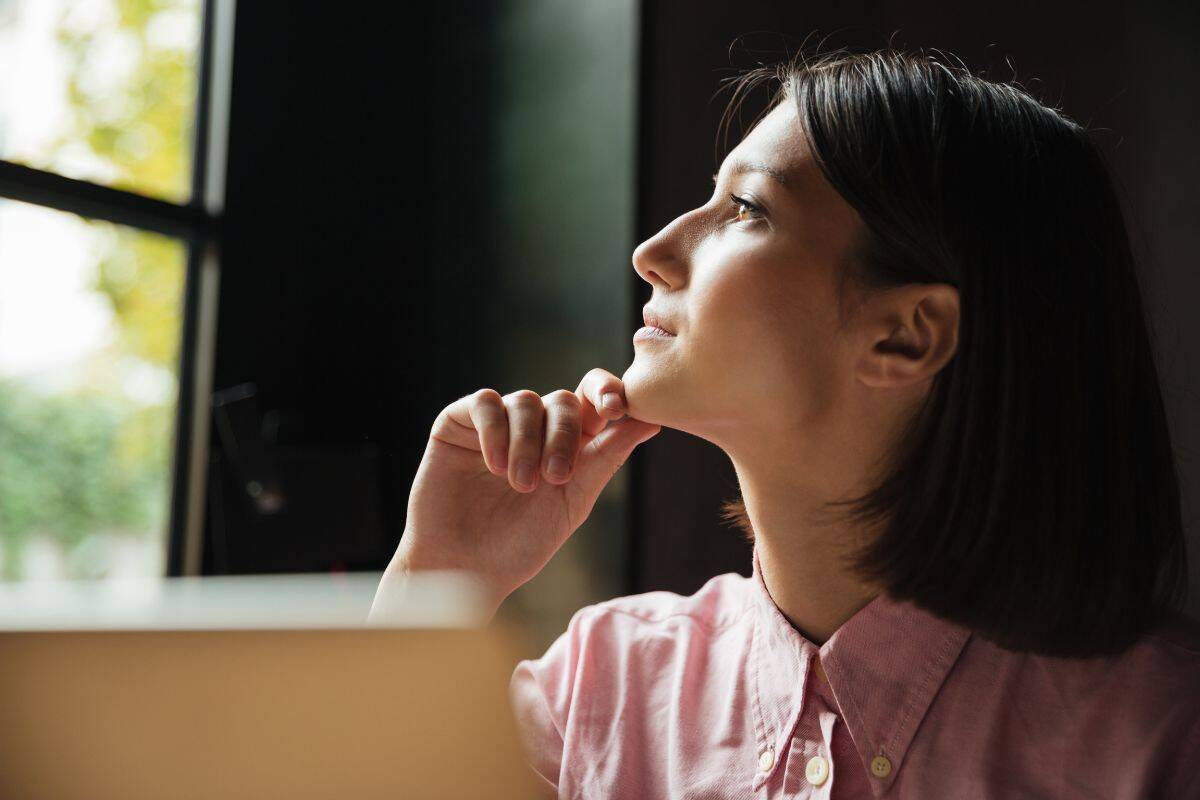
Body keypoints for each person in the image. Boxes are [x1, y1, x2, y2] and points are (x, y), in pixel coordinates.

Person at [377, 46, 1200, 798]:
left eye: (744, 209)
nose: (655, 250)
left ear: (905, 334)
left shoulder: (1158, 740)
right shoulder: (599, 690)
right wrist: (442, 575)